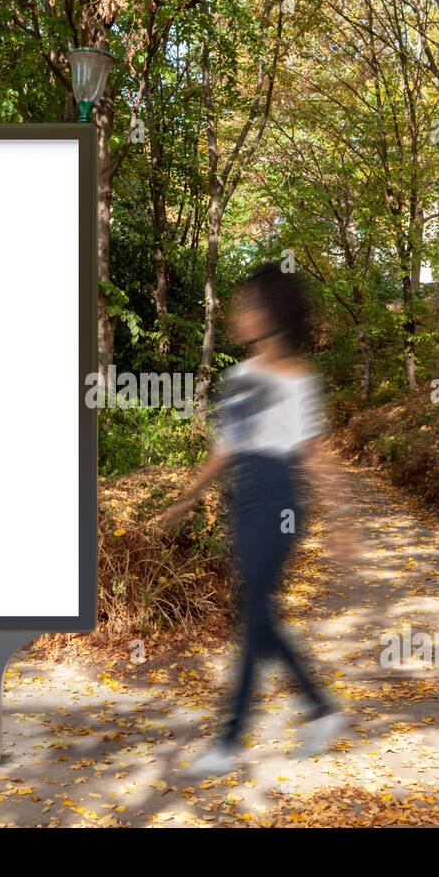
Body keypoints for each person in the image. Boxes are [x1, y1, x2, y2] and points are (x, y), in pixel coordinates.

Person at [158, 262, 347, 777]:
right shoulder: (237, 378)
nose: (239, 314)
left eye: (248, 305)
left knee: (255, 610)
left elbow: (314, 453)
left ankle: (230, 738)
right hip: (243, 500)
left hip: (282, 499)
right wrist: (185, 499)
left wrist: (344, 521)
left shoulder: (300, 379)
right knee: (256, 612)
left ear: (272, 312)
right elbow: (225, 450)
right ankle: (320, 709)